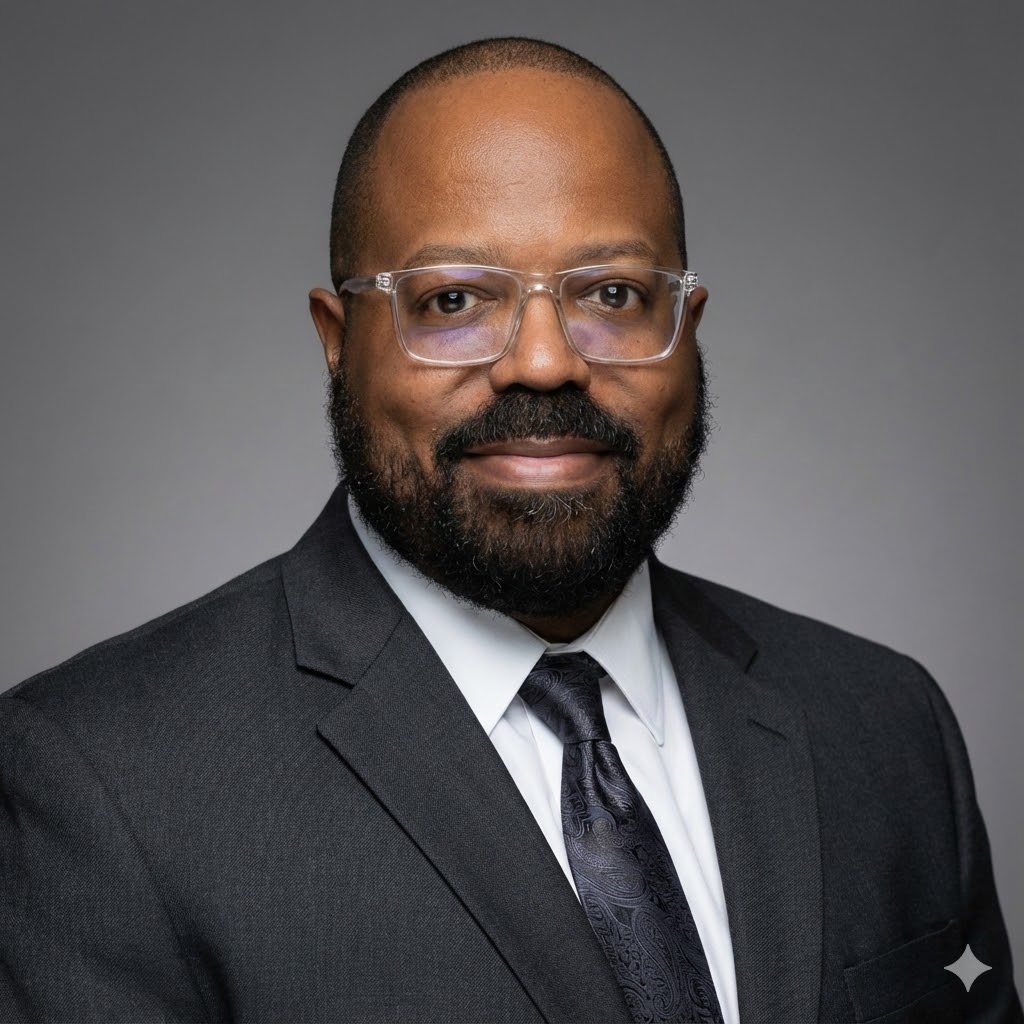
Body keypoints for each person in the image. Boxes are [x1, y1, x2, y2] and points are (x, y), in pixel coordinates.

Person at [0, 35, 1019, 1024]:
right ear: (336, 340)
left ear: (687, 332)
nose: (543, 362)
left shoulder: (884, 726)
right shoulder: (103, 782)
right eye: (452, 300)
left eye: (612, 295)